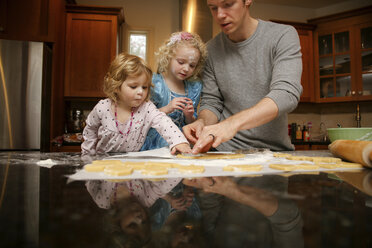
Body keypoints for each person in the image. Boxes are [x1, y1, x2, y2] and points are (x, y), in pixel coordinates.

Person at [183, 0, 303, 153]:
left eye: (228, 4)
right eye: (213, 8)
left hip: (273, 151)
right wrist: (202, 122)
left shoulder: (282, 36)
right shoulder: (211, 50)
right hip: (224, 152)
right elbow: (212, 102)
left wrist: (232, 124)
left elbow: (286, 93)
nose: (220, 15)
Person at [81, 53, 191, 155]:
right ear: (116, 86)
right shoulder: (102, 107)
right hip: (103, 162)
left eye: (144, 87)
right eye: (133, 87)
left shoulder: (146, 107)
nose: (140, 92)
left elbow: (163, 122)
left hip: (132, 162)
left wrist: (179, 141)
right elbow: (90, 130)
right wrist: (87, 155)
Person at [183, 176, 304, 247]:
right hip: (266, 152)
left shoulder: (214, 242)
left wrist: (206, 182)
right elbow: (287, 216)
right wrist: (233, 191)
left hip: (221, 157)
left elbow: (210, 206)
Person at [141, 31, 207, 151]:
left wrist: (189, 116)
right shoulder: (155, 83)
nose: (186, 68)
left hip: (182, 139)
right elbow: (143, 117)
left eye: (192, 65)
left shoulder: (194, 87)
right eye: (181, 62)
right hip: (157, 140)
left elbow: (191, 123)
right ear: (168, 57)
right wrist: (167, 108)